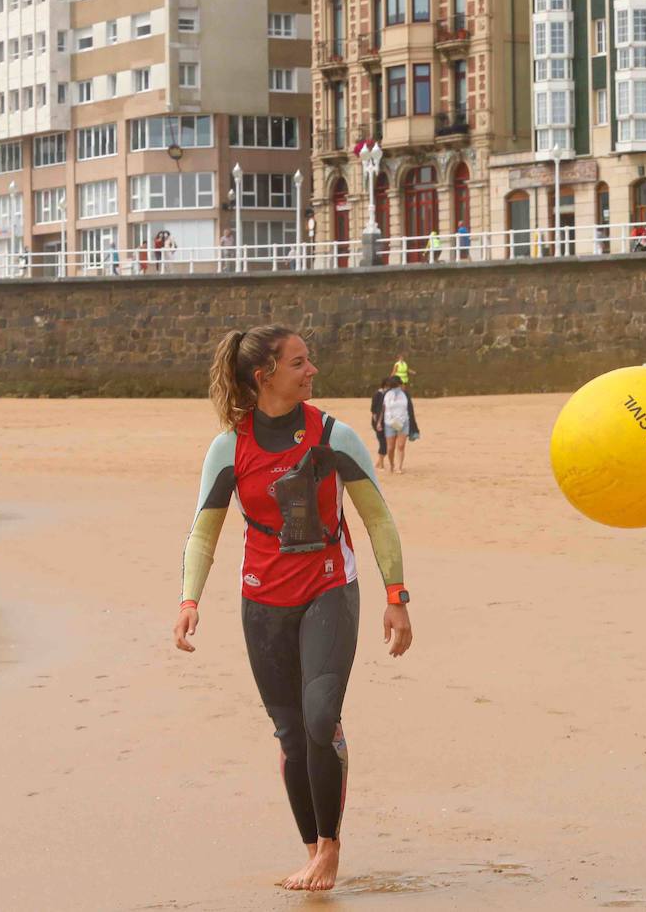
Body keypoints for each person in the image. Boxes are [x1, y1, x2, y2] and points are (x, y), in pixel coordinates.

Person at [172, 325, 412, 893]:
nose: (313, 370)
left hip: (330, 586)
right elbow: (205, 530)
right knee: (289, 733)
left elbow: (377, 518)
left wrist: (396, 596)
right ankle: (311, 848)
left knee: (319, 716)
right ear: (266, 376)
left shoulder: (334, 436)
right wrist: (189, 599)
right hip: (262, 599)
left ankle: (330, 848)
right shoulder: (230, 446)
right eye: (301, 362)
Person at [381, 377, 410, 473]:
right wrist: (379, 422)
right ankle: (392, 464)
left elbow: (409, 408)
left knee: (401, 445)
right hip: (390, 422)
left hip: (403, 422)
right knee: (390, 447)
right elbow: (384, 408)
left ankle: (399, 467)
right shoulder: (387, 395)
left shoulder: (405, 394)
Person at [369, 376, 391, 468]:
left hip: (385, 421)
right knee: (383, 443)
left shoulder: (388, 394)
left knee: (385, 443)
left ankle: (378, 463)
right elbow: (374, 410)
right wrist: (377, 422)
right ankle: (380, 464)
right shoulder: (378, 394)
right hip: (379, 422)